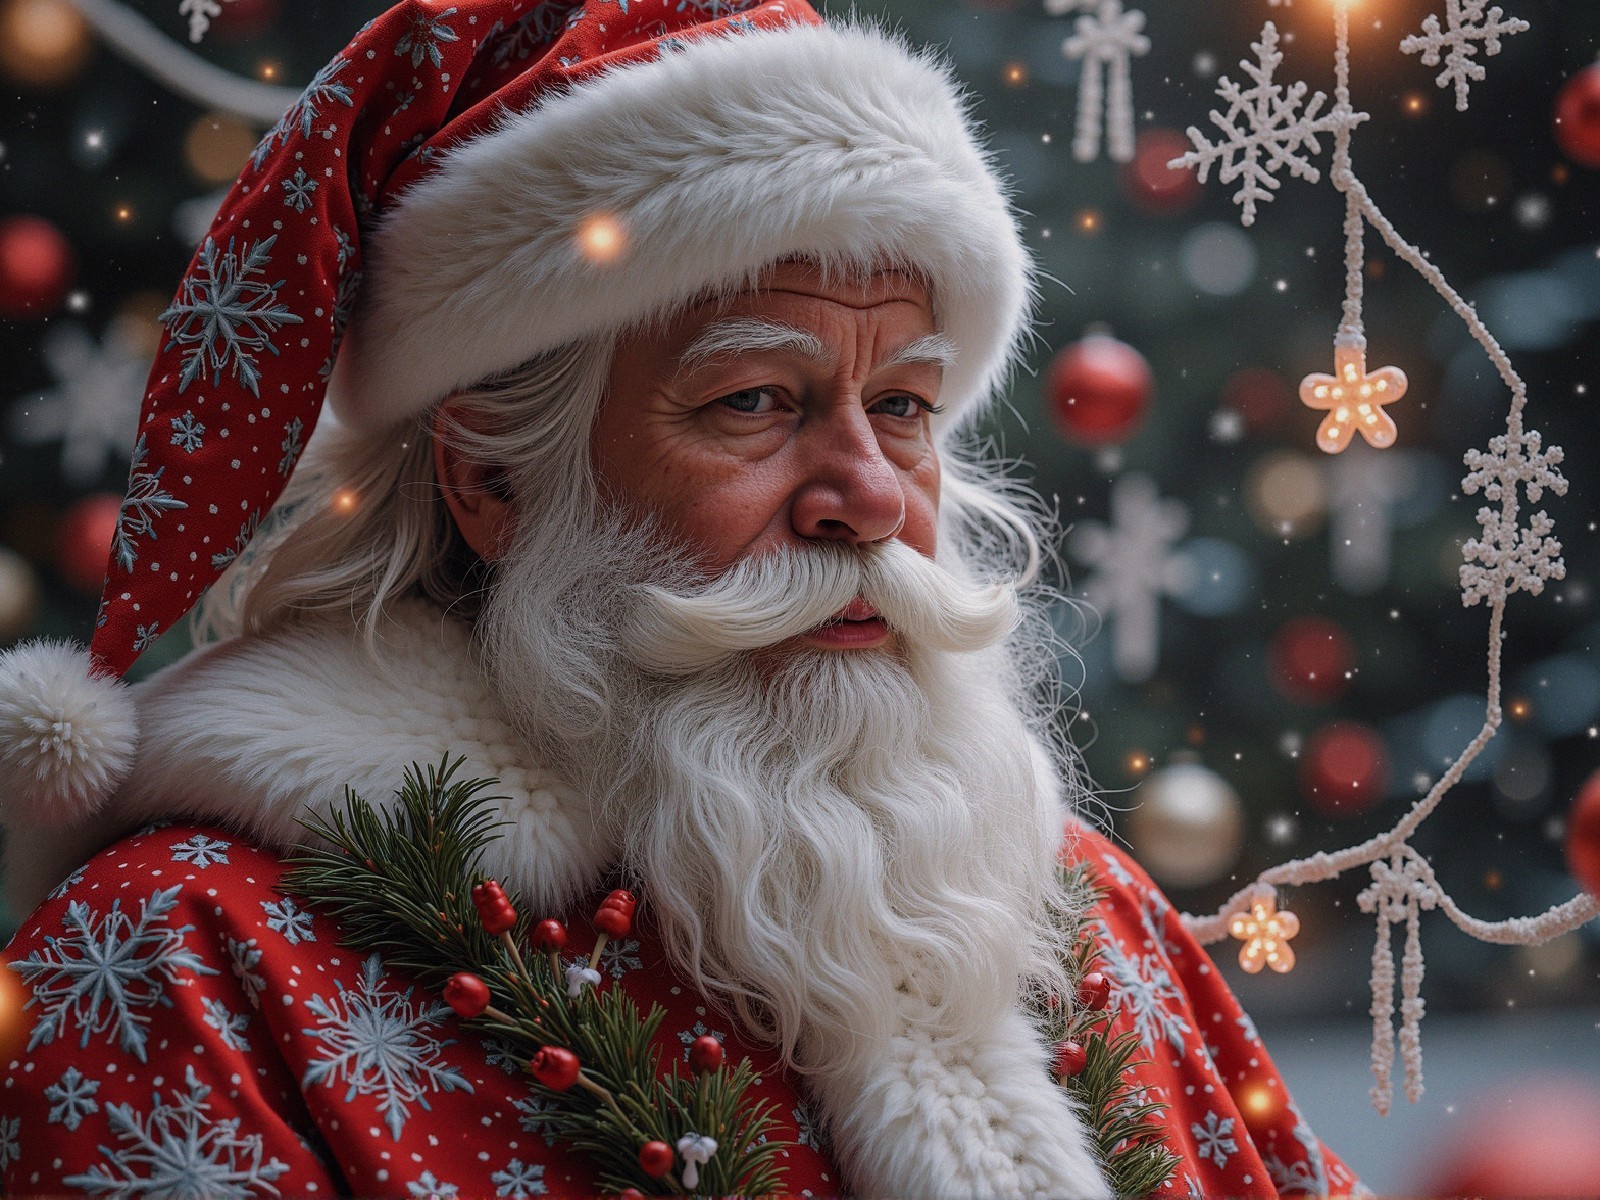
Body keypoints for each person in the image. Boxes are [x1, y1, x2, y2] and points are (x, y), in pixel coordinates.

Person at [0, 1, 1362, 1196]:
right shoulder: (192, 967)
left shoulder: (1073, 918)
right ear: (490, 479)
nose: (871, 499)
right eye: (755, 401)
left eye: (903, 406)